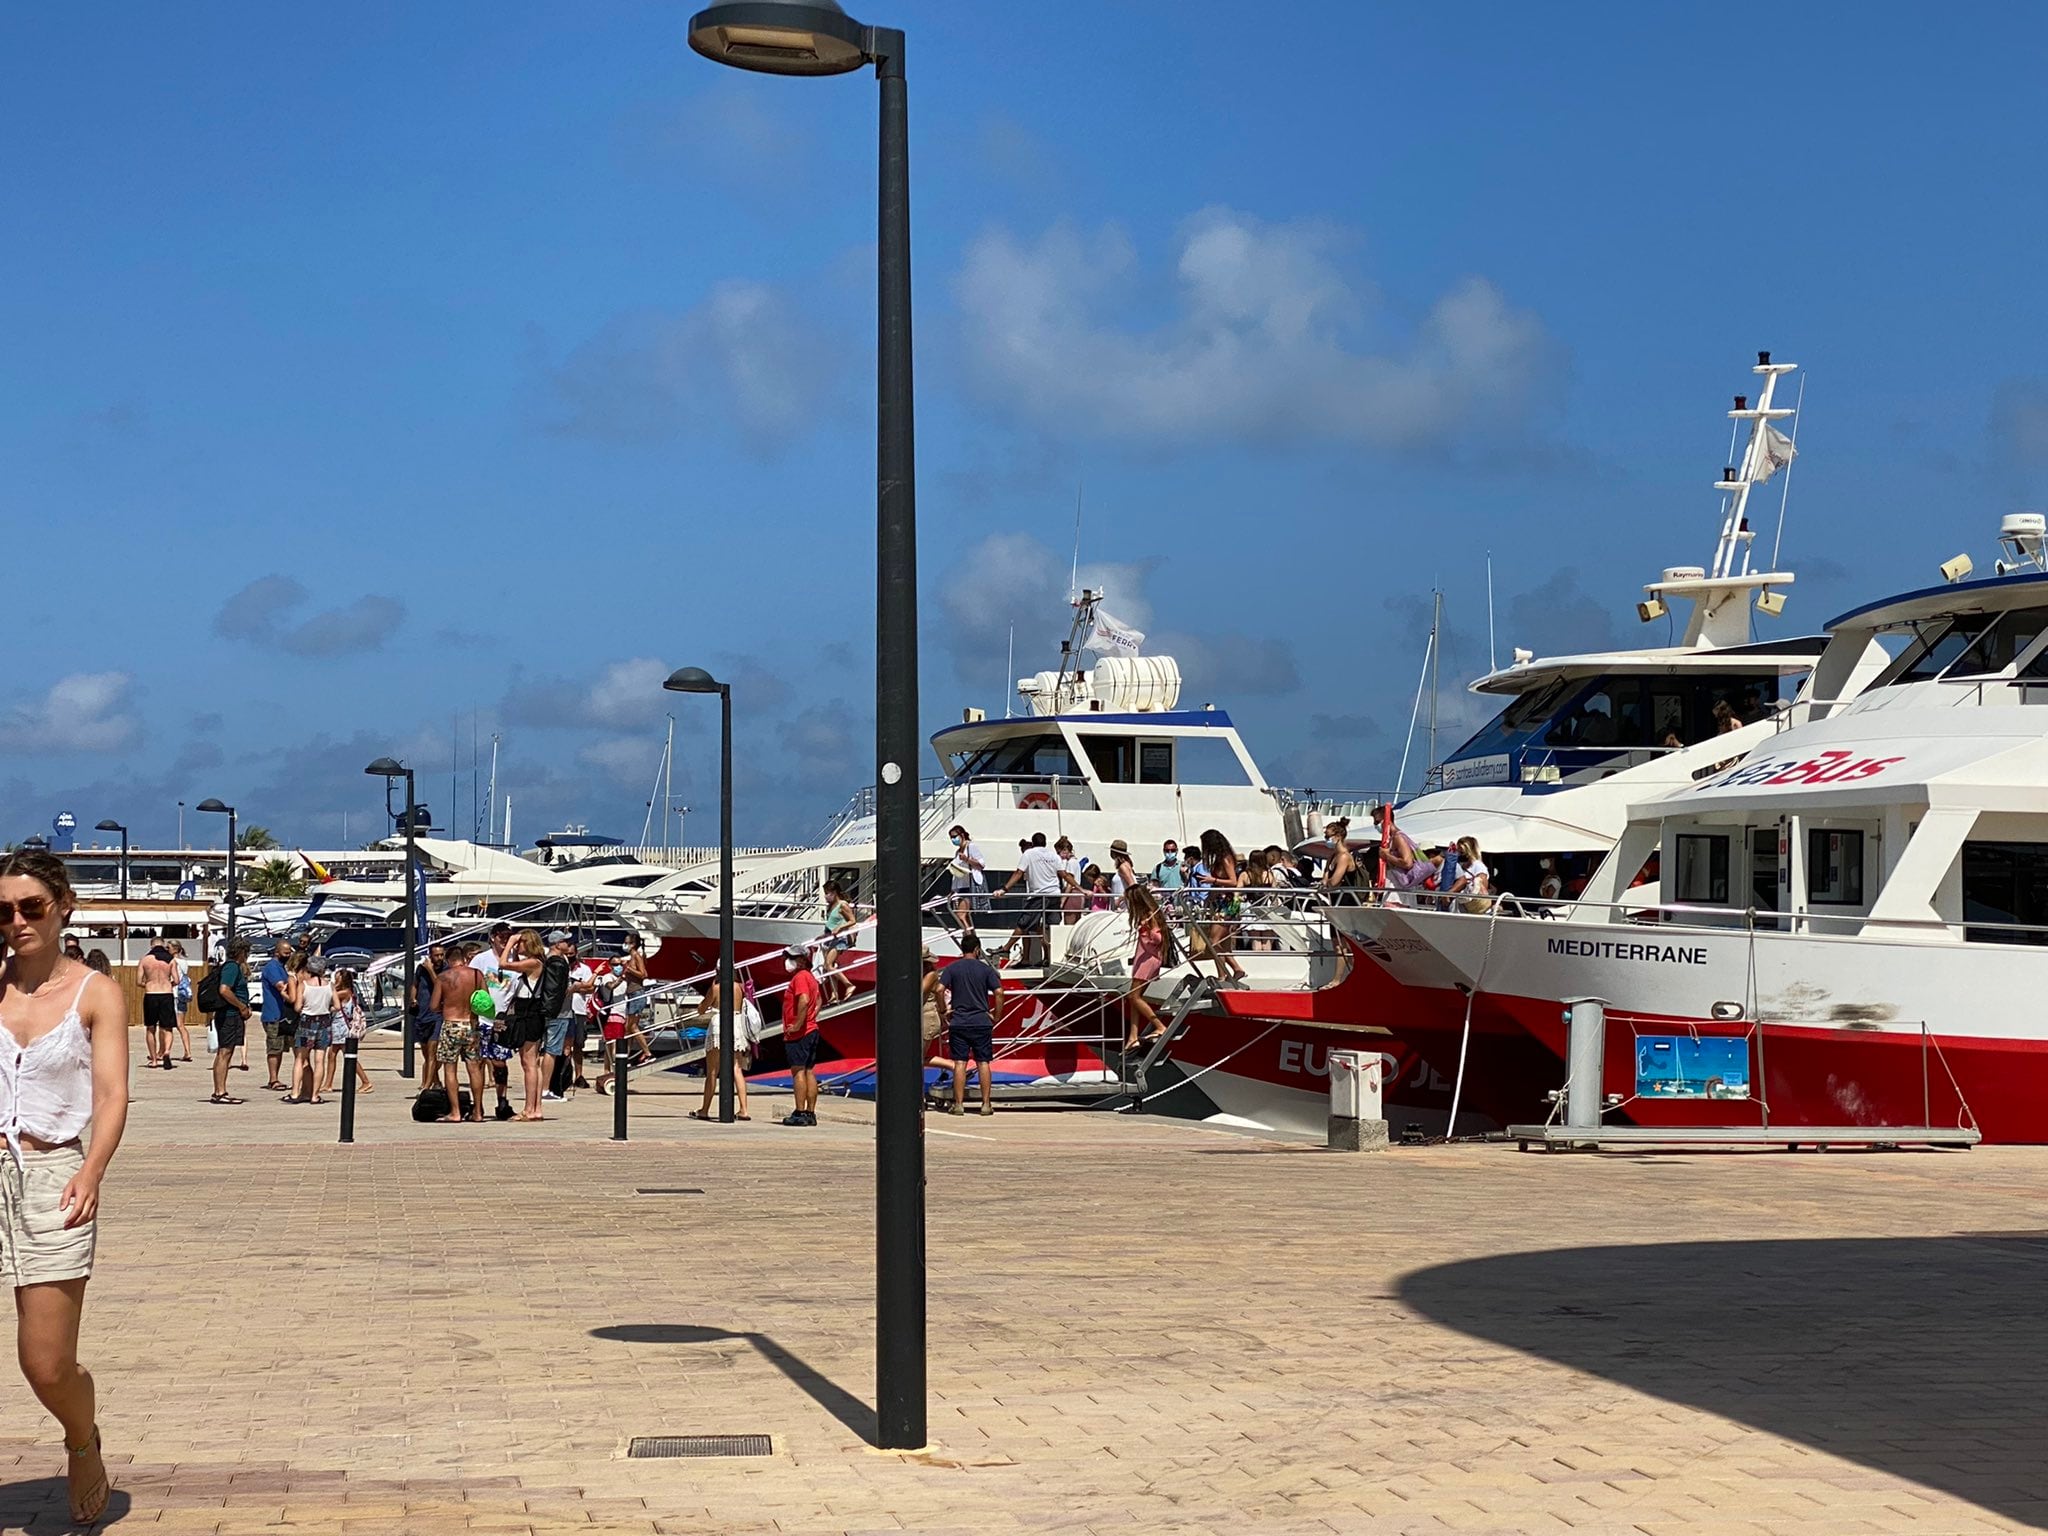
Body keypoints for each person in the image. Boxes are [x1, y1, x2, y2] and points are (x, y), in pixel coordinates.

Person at [0, 849, 129, 1524]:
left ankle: (83, 1439)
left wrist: (92, 1170)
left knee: (45, 1365)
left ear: (63, 906)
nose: (16, 921)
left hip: (54, 1176)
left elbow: (110, 1096)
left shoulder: (96, 992)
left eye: (30, 907)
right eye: (3, 911)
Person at [939, 933, 1004, 1117]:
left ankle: (958, 1104)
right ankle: (986, 1104)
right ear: (977, 950)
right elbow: (999, 992)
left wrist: (944, 1010)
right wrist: (996, 1016)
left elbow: (939, 989)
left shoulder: (952, 968)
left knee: (960, 1062)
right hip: (981, 1021)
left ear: (962, 949)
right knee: (983, 1062)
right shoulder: (985, 970)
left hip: (959, 1021)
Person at [430, 942, 488, 1123]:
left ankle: (455, 1112)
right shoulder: (477, 975)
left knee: (450, 1068)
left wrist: (445, 1006)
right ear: (464, 959)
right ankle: (478, 1111)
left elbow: (433, 1006)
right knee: (474, 1068)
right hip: (471, 1024)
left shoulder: (443, 977)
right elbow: (484, 1000)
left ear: (448, 960)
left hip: (451, 1024)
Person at [688, 972, 757, 1121]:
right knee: (736, 1068)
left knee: (712, 1070)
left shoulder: (716, 988)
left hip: (719, 1024)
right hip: (736, 1024)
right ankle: (744, 1109)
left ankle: (705, 1109)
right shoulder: (740, 987)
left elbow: (702, 1009)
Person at [500, 930, 549, 1122]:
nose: (517, 946)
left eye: (521, 943)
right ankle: (535, 1108)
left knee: (529, 1063)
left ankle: (530, 1109)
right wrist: (513, 948)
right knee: (529, 1063)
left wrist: (510, 942)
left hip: (529, 1014)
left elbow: (503, 964)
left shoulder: (533, 963)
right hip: (529, 1013)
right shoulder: (536, 962)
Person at [998, 832, 1063, 968]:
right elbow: (1063, 875)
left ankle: (1006, 948)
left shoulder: (1029, 855)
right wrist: (1081, 889)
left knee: (1024, 924)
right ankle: (1045, 957)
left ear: (1032, 844)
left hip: (1038, 897)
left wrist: (1004, 888)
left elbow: (1018, 873)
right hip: (1054, 895)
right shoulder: (1053, 856)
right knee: (1044, 928)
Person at [1195, 829, 1249, 984]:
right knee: (1222, 943)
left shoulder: (1226, 858)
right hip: (1219, 902)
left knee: (1213, 941)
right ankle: (1223, 975)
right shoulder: (1220, 859)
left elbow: (1233, 882)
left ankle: (1236, 968)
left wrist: (1213, 881)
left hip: (1228, 904)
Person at [1122, 884, 1168, 1051]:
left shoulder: (1150, 915)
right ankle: (1133, 1037)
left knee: (1134, 997)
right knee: (1134, 998)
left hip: (1149, 960)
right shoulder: (1146, 914)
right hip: (1142, 960)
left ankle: (1159, 1025)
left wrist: (1147, 927)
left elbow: (1158, 939)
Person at [780, 945, 822, 1127]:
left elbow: (804, 999)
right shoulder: (811, 978)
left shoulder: (800, 978)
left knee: (798, 1071)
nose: (788, 960)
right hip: (812, 1029)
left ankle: (800, 1112)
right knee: (809, 1070)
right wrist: (812, 1016)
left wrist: (797, 1024)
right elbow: (818, 1000)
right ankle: (811, 1112)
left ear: (803, 960)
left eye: (793, 957)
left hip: (800, 1033)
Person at [209, 940, 254, 1104]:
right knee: (224, 1052)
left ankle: (220, 1090)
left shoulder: (232, 967)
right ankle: (220, 1092)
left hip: (231, 1015)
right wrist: (241, 1006)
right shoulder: (232, 967)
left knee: (226, 1052)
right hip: (229, 1015)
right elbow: (224, 989)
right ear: (241, 952)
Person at [538, 932, 580, 1104]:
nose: (568, 944)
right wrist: (574, 987)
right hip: (559, 1012)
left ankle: (542, 1086)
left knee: (545, 1049)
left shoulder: (546, 960)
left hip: (549, 1011)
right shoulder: (558, 962)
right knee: (552, 1050)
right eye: (565, 941)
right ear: (557, 944)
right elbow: (558, 989)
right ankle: (545, 1089)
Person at [286, 954, 332, 1105]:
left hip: (307, 1022)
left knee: (300, 1058)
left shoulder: (304, 985)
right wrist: (327, 1007)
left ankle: (294, 1093)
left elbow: (297, 1007)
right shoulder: (329, 985)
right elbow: (337, 1006)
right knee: (320, 1061)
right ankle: (315, 1095)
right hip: (324, 1022)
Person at [327, 968, 372, 1098]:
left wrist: (331, 985)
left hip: (342, 1028)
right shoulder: (345, 991)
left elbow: (330, 996)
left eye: (337, 978)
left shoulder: (345, 992)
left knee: (349, 1057)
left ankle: (366, 1081)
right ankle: (328, 1083)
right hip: (336, 1027)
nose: (335, 980)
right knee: (332, 1055)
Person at [258, 939, 294, 1092]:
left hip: (284, 1014)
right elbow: (281, 986)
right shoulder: (272, 967)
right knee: (274, 1048)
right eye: (286, 953)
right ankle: (273, 1079)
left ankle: (277, 1078)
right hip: (273, 1015)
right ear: (277, 952)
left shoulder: (282, 967)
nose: (289, 955)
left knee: (283, 1047)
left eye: (290, 953)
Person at [137, 943, 178, 1072]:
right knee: (168, 1027)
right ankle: (166, 1051)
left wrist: (149, 984)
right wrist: (167, 983)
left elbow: (138, 981)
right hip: (166, 993)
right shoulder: (171, 960)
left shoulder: (145, 960)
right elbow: (177, 980)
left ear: (151, 946)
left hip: (151, 994)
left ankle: (154, 1060)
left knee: (150, 1028)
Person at [618, 932, 655, 1066]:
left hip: (637, 994)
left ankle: (647, 1053)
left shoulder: (636, 956)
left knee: (632, 1026)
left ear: (633, 944)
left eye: (627, 942)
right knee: (627, 1027)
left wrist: (629, 969)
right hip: (631, 994)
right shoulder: (630, 958)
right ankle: (625, 1057)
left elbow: (644, 974)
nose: (625, 944)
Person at [818, 883, 858, 1006]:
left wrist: (840, 928)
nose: (826, 896)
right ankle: (834, 994)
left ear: (834, 892)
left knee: (828, 965)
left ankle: (849, 985)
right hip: (831, 938)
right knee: (830, 966)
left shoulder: (842, 905)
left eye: (827, 893)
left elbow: (852, 920)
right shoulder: (831, 906)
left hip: (840, 939)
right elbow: (831, 923)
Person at [413, 942, 445, 1095]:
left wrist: (431, 970)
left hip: (437, 1015)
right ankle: (436, 1081)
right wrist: (412, 999)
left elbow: (440, 985)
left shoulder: (446, 969)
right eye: (436, 955)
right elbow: (415, 984)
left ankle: (426, 1086)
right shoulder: (421, 968)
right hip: (421, 1014)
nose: (439, 958)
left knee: (433, 1053)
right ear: (430, 955)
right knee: (426, 1053)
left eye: (441, 954)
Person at [946, 825, 988, 934]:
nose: (953, 840)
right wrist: (953, 890)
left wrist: (967, 859)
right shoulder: (957, 852)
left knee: (961, 915)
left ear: (962, 835)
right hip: (961, 887)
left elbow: (981, 864)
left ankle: (969, 939)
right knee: (965, 917)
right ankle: (971, 940)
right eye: (951, 837)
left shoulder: (971, 847)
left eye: (954, 836)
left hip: (970, 886)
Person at [1449, 835, 1492, 913]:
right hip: (1459, 906)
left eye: (1461, 851)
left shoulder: (1478, 866)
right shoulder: (1462, 866)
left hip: (1472, 908)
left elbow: (1482, 889)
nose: (1459, 854)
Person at [168, 940, 195, 1062]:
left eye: (168, 948)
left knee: (168, 1025)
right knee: (181, 1025)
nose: (167, 950)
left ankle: (164, 1051)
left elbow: (175, 978)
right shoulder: (185, 962)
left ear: (174, 949)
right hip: (183, 994)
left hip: (174, 993)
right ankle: (187, 1051)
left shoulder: (173, 962)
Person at [1320, 818, 1357, 890]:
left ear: (1338, 836)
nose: (1326, 839)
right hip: (1333, 896)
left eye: (1328, 837)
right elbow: (1325, 878)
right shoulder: (1332, 856)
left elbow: (1334, 882)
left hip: (1345, 897)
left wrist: (1325, 882)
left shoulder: (1344, 856)